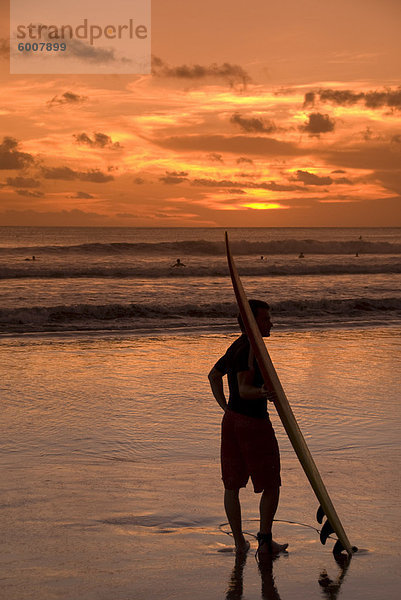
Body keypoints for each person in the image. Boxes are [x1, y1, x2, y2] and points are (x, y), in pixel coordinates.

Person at [208, 299, 288, 557]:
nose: (271, 323)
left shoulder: (236, 345)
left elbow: (213, 376)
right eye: (266, 319)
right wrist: (264, 391)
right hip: (253, 424)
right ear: (253, 322)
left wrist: (225, 408)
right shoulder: (251, 347)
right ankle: (265, 542)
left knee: (231, 486)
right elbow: (244, 389)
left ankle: (240, 544)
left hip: (231, 422)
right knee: (271, 483)